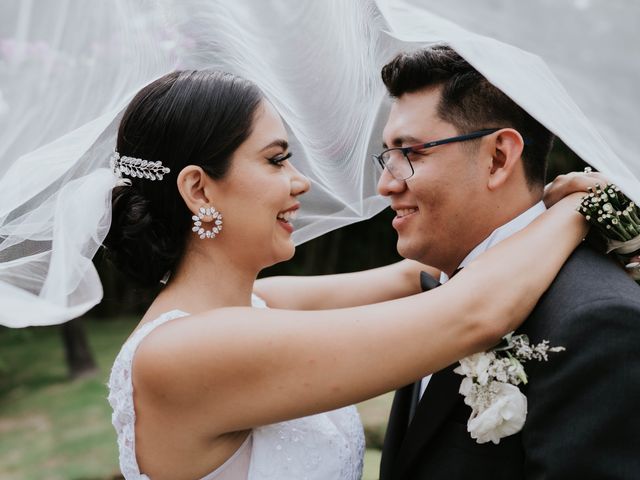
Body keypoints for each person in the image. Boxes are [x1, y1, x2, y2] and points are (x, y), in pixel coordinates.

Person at [105, 69, 589, 480]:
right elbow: (470, 314)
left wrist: (530, 207)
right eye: (276, 160)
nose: (301, 181)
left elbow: (416, 273)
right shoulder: (182, 354)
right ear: (198, 188)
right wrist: (583, 208)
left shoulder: (261, 303)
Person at [363, 45, 639, 479]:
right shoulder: (436, 287)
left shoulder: (598, 321)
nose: (385, 185)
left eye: (411, 153)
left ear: (498, 158)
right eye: (388, 155)